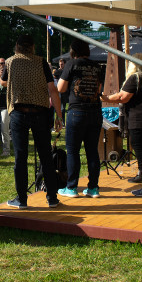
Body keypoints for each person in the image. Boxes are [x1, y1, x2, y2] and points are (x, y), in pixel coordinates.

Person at [0, 35, 63, 209]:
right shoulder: (41, 62)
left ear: (17, 46)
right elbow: (52, 90)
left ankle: (22, 199)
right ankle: (52, 198)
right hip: (40, 113)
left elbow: (3, 82)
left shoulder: (10, 62)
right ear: (33, 47)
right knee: (46, 156)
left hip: (19, 112)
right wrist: (59, 115)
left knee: (20, 157)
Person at [105, 53, 142, 183]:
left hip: (139, 119)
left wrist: (105, 98)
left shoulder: (135, 78)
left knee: (139, 146)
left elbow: (122, 97)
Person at [56, 40, 104, 198]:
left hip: (77, 111)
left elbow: (60, 88)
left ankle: (71, 187)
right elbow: (99, 89)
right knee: (92, 151)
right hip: (95, 111)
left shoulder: (72, 64)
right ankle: (93, 188)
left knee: (73, 151)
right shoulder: (97, 66)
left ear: (73, 51)